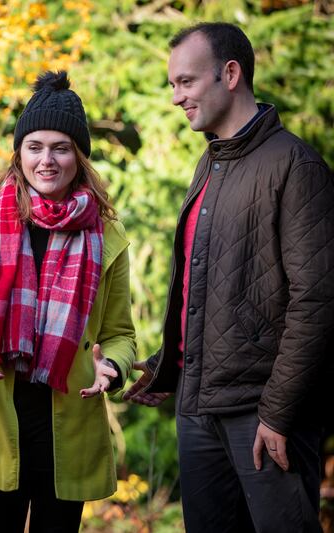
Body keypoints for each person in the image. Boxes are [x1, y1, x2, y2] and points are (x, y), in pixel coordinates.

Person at [123, 22, 334, 533]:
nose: (176, 97)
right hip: (200, 413)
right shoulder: (210, 164)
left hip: (264, 418)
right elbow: (214, 290)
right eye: (172, 85)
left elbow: (317, 301)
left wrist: (278, 414)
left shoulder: (295, 165)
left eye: (186, 82)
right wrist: (167, 366)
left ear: (231, 73)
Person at [0, 71, 136, 533]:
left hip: (68, 425)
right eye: (35, 146)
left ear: (79, 157)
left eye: (60, 148)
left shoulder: (107, 235)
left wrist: (113, 367)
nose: (47, 160)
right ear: (19, 153)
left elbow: (120, 334)